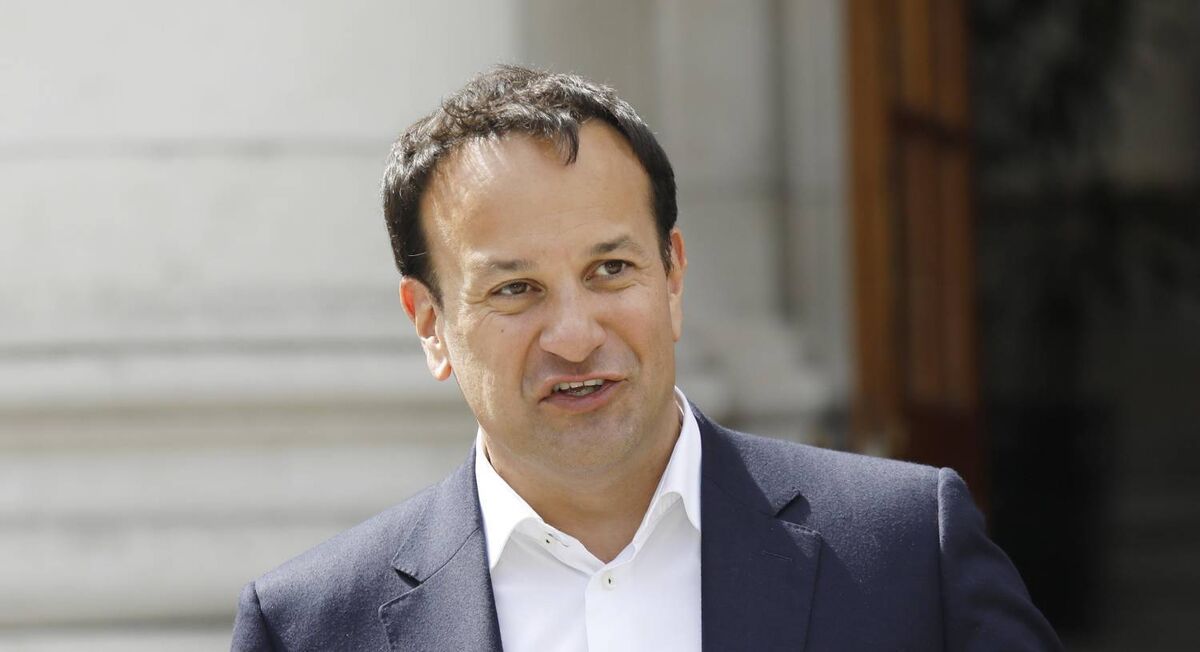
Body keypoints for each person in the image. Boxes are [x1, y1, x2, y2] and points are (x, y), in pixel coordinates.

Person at [231, 65, 1061, 651]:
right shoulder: (309, 628)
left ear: (673, 277)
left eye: (610, 270)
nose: (575, 334)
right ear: (430, 326)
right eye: (515, 290)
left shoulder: (909, 550)